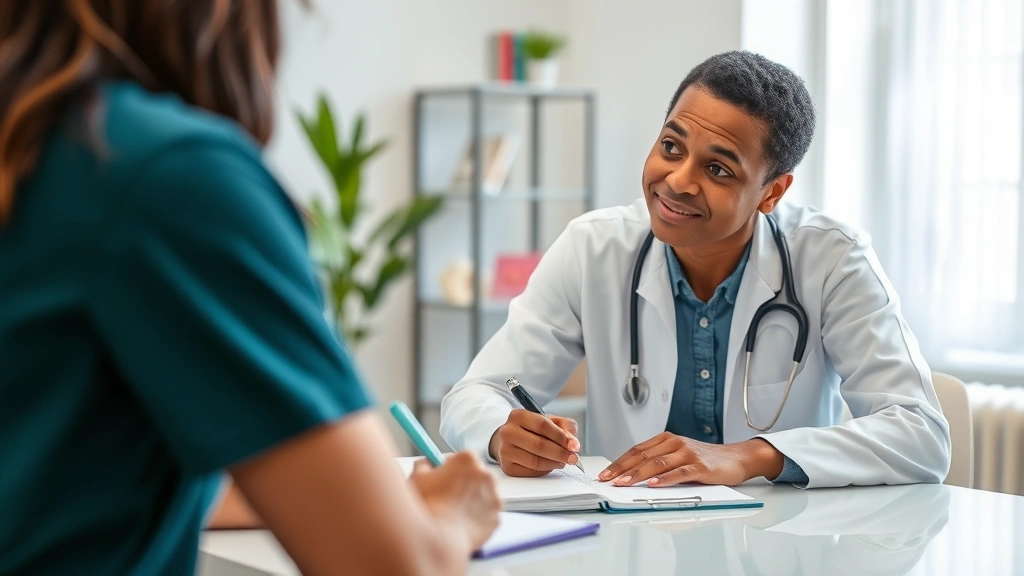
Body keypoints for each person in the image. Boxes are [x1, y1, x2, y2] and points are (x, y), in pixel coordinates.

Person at [0, 2, 499, 575]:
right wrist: (453, 515)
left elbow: (63, 476)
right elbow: (398, 567)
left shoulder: (29, 155)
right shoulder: (164, 173)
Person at [440, 51, 951, 488]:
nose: (677, 181)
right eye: (671, 147)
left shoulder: (832, 259)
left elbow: (921, 434)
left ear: (771, 192)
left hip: (779, 545)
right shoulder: (593, 248)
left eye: (718, 169)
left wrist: (751, 456)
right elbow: (473, 394)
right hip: (632, 543)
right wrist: (501, 432)